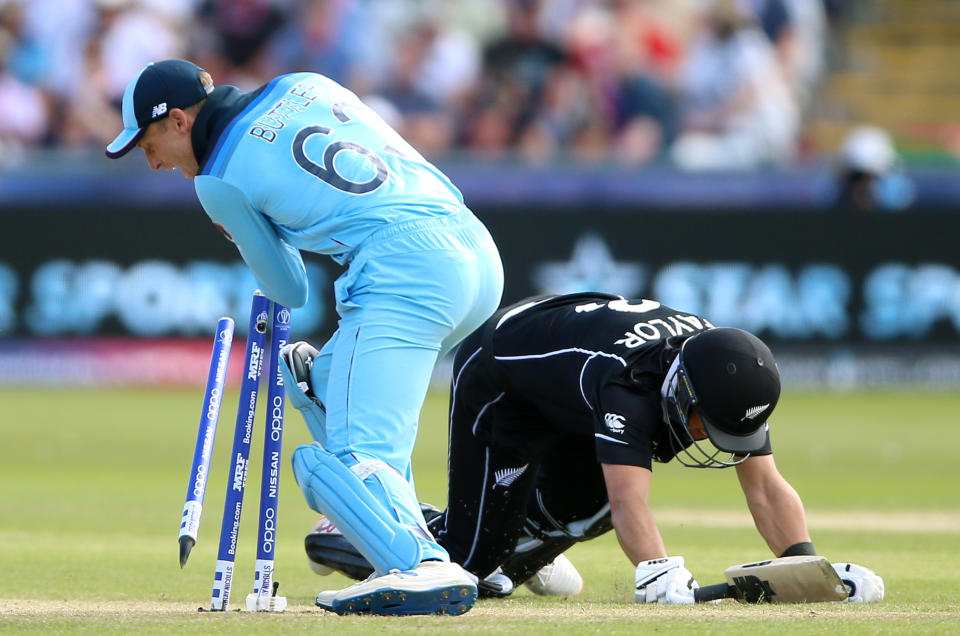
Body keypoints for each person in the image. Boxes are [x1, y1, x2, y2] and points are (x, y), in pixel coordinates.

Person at [105, 59, 504, 616]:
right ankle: (459, 547)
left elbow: (289, 288)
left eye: (146, 144)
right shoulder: (305, 84)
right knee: (317, 382)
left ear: (177, 121)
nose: (151, 163)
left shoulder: (217, 179)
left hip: (403, 270)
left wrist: (250, 227)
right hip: (474, 248)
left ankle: (420, 566)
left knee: (341, 457)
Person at [302, 292, 883, 603]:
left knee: (589, 508)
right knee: (466, 566)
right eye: (709, 424)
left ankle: (518, 551)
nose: (711, 439)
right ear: (680, 390)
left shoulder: (723, 372)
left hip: (567, 386)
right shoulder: (628, 383)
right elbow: (634, 501)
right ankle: (360, 527)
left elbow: (765, 486)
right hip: (504, 379)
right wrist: (657, 572)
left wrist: (809, 567)